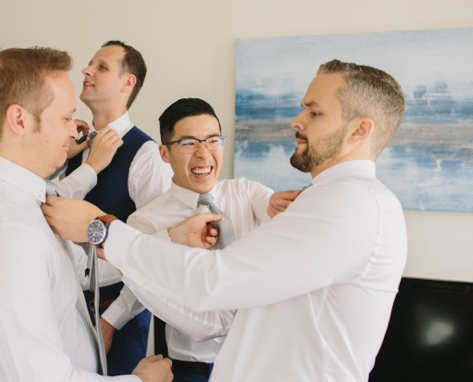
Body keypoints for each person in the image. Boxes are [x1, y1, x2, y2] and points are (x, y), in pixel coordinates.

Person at [43, 60, 407, 381]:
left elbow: (213, 282)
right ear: (165, 154)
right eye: (303, 109)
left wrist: (102, 230)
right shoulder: (323, 200)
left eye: (315, 112)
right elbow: (219, 317)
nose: (296, 121)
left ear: (360, 131)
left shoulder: (349, 205)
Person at [0, 46, 171, 382]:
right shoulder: (4, 233)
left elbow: (74, 269)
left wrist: (170, 239)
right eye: (64, 119)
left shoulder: (22, 197)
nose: (75, 133)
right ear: (19, 120)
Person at [97, 98, 298, 382]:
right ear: (164, 154)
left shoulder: (245, 192)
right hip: (194, 370)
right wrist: (109, 323)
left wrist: (279, 205)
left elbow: (271, 206)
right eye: (189, 143)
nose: (204, 154)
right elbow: (138, 279)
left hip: (258, 364)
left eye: (213, 140)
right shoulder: (146, 221)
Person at [55, 40, 172, 376]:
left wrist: (109, 323)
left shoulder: (146, 155)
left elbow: (153, 250)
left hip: (112, 318)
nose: (87, 71)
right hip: (65, 309)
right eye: (90, 64)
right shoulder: (72, 147)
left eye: (101, 67)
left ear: (127, 82)